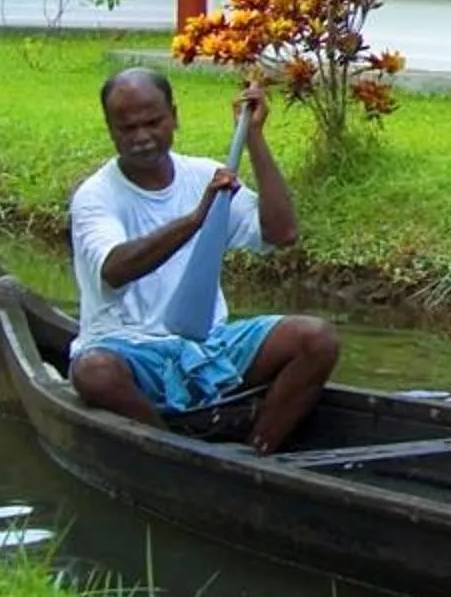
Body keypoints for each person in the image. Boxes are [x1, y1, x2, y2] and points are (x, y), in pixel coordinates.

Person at [66, 67, 337, 453]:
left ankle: (257, 450)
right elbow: (116, 268)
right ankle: (170, 451)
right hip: (128, 349)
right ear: (111, 130)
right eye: (127, 128)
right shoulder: (96, 196)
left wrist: (255, 139)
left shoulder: (204, 175)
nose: (142, 137)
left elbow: (282, 234)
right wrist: (196, 219)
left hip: (208, 346)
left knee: (316, 338)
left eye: (153, 122)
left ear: (174, 116)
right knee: (94, 373)